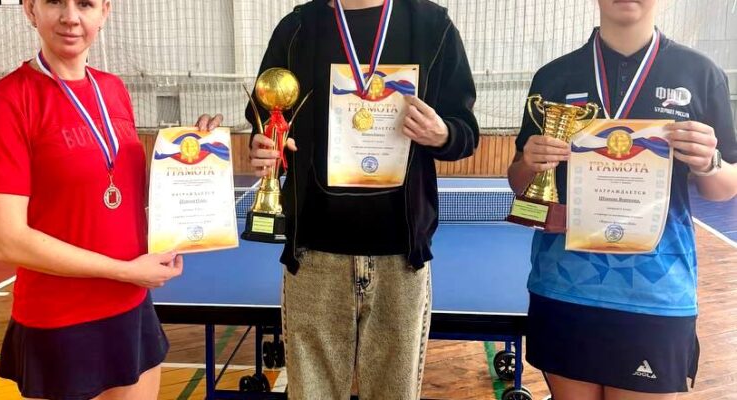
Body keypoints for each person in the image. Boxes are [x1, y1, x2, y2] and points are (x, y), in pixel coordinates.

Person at [0, 0, 221, 398]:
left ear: (104, 11)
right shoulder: (6, 102)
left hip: (130, 306)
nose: (71, 17)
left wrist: (195, 157)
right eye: (55, 2)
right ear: (30, 9)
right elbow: (5, 240)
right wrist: (123, 271)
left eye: (85, 4)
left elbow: (120, 195)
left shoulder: (113, 90)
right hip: (61, 320)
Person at [246, 0, 479, 398]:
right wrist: (264, 146)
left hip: (400, 259)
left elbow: (465, 133)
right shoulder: (298, 28)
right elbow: (266, 119)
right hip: (314, 255)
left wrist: (443, 134)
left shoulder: (432, 26)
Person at [507, 0, 737, 399]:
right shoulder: (553, 77)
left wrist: (709, 163)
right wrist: (529, 162)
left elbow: (725, 188)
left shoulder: (700, 74)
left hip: (655, 294)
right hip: (563, 286)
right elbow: (518, 182)